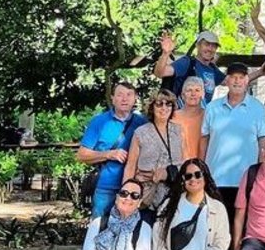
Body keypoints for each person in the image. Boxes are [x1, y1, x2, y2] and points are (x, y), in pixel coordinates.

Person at [200, 62, 265, 225]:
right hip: (215, 178)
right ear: (227, 81)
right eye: (233, 77)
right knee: (214, 226)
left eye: (241, 77)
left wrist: (260, 172)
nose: (237, 81)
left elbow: (263, 142)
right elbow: (204, 138)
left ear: (247, 80)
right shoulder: (212, 108)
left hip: (245, 178)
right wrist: (202, 169)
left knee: (240, 226)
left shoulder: (258, 108)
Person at [77, 82, 147, 217]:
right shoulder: (99, 121)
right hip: (105, 187)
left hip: (132, 189)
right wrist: (109, 154)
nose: (124, 99)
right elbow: (81, 155)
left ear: (135, 99)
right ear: (112, 98)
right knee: (98, 229)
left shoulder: (143, 123)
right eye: (120, 95)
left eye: (129, 95)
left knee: (126, 234)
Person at [124, 90, 185, 225]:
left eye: (168, 104)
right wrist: (127, 193)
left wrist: (166, 173)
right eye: (159, 104)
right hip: (146, 194)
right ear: (152, 107)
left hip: (172, 194)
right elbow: (131, 165)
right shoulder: (141, 132)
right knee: (143, 235)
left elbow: (184, 163)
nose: (164, 108)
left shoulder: (178, 131)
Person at [154, 30, 228, 108]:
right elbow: (160, 73)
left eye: (213, 46)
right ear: (197, 46)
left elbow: (232, 82)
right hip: (181, 116)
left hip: (201, 116)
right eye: (206, 44)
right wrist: (165, 53)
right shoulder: (187, 62)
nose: (210, 49)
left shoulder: (213, 69)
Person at [173, 77, 206, 160]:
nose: (193, 94)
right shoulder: (173, 117)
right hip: (178, 166)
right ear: (183, 95)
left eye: (197, 90)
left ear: (203, 94)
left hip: (203, 166)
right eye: (189, 90)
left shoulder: (208, 116)